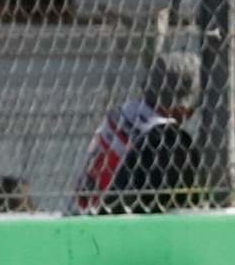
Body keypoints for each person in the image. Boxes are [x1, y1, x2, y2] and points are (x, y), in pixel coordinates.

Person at [73, 51, 209, 215]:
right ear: (182, 106)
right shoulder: (167, 141)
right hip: (117, 227)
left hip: (83, 216)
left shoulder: (123, 113)